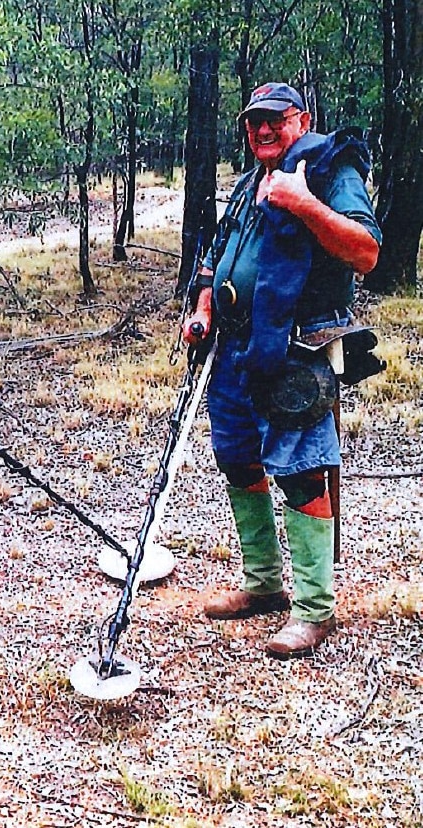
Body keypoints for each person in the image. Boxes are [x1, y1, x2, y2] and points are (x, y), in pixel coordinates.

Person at [183, 82, 381, 659]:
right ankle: (264, 583)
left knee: (301, 472)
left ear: (303, 120)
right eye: (253, 122)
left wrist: (303, 205)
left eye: (276, 119)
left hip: (296, 350)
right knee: (238, 459)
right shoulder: (249, 182)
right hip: (235, 350)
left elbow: (366, 250)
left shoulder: (325, 167)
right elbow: (213, 256)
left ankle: (315, 610)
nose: (263, 130)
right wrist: (202, 310)